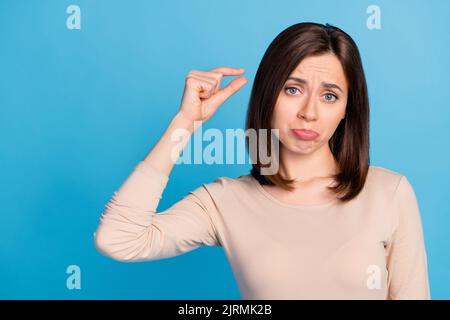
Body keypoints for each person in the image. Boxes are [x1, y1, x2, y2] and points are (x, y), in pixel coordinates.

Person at [93, 22, 430, 300]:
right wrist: (186, 123)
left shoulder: (389, 192)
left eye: (329, 96)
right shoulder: (225, 201)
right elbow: (118, 239)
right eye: (293, 89)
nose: (309, 112)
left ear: (346, 109)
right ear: (268, 95)